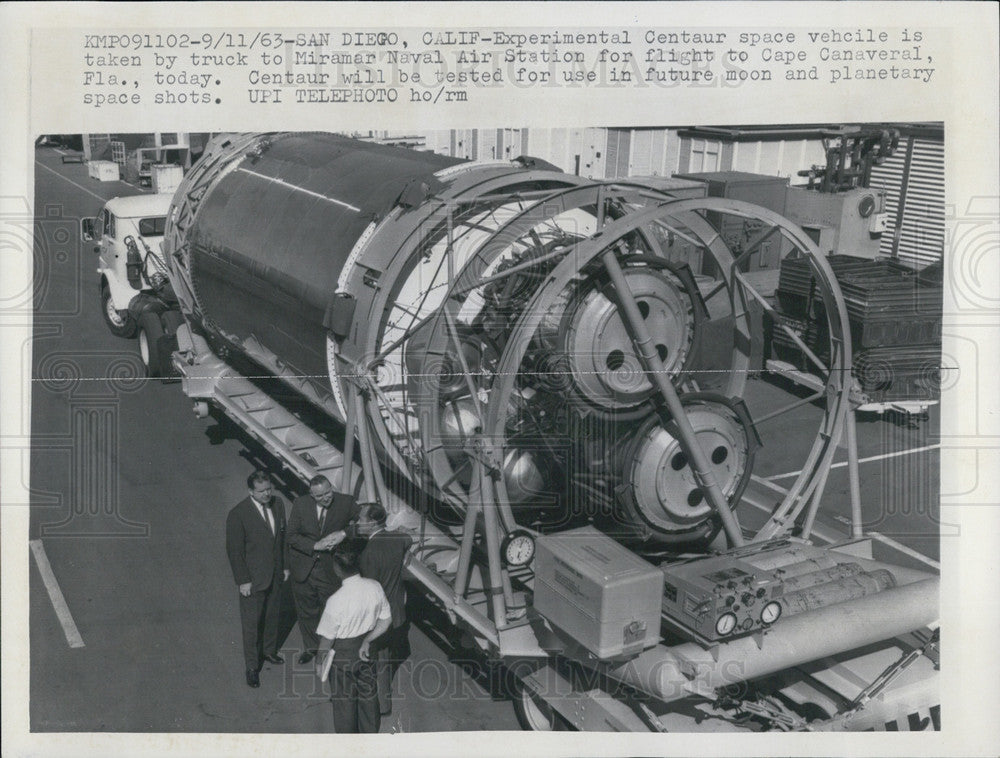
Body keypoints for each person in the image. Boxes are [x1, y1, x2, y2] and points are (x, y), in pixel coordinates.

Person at [315, 548, 392, 734]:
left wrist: (319, 662)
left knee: (344, 704)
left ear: (337, 569)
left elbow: (327, 639)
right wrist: (368, 639)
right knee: (368, 697)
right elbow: (386, 619)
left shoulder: (336, 600)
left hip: (343, 656)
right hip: (366, 652)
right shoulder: (375, 586)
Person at [225, 470, 289, 688]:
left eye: (269, 489)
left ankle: (269, 651)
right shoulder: (238, 514)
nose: (266, 494)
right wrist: (243, 580)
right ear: (250, 491)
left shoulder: (278, 505)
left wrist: (286, 566)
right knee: (251, 625)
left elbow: (282, 538)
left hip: (276, 574)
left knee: (272, 617)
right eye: (261, 491)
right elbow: (235, 551)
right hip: (253, 580)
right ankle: (252, 666)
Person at [285, 474, 356, 664]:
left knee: (331, 611)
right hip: (304, 568)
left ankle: (331, 650)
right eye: (320, 496)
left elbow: (363, 525)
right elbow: (291, 536)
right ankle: (311, 648)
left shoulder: (346, 503)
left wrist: (344, 533)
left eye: (328, 492)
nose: (326, 498)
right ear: (311, 495)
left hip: (330, 570)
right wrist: (315, 545)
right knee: (307, 611)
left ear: (331, 487)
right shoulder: (301, 505)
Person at [358, 503, 413, 715]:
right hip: (398, 611)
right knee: (386, 657)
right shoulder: (396, 539)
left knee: (379, 663)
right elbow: (408, 539)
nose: (357, 523)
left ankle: (382, 706)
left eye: (361, 520)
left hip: (381, 618)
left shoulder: (368, 553)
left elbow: (370, 592)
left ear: (372, 523)